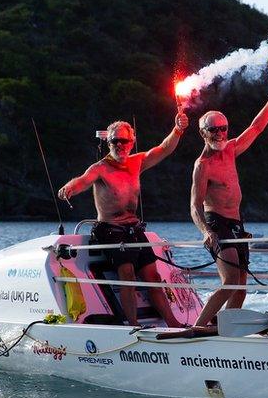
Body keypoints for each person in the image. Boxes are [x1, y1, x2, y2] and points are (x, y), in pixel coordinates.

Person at [58, 114, 188, 328]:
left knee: (152, 276)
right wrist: (70, 188)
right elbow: (82, 180)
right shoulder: (100, 167)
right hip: (110, 230)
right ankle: (133, 325)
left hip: (133, 229)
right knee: (126, 273)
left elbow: (164, 148)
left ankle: (173, 323)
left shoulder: (137, 162)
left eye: (124, 141)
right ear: (109, 143)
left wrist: (178, 129)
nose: (119, 145)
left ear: (132, 141)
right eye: (114, 141)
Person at [189, 72, 268, 328]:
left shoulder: (231, 150)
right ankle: (198, 327)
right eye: (214, 130)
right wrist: (205, 231)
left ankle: (224, 328)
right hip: (217, 223)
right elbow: (194, 204)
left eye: (223, 128)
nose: (220, 133)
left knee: (241, 288)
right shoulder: (203, 165)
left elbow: (256, 127)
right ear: (203, 133)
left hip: (236, 224)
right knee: (230, 281)